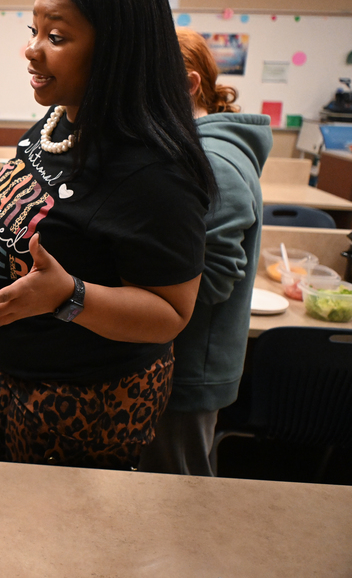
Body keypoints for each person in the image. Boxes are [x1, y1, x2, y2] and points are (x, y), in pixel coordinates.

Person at [0, 0, 217, 470]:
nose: (31, 49)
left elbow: (171, 314)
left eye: (57, 37)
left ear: (116, 51)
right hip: (9, 364)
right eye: (34, 30)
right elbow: (61, 206)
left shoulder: (157, 170)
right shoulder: (61, 118)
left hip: (86, 397)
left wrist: (70, 297)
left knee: (49, 543)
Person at [138, 28, 272, 476]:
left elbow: (212, 279)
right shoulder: (190, 148)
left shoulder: (213, 159)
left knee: (178, 499)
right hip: (177, 363)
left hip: (190, 372)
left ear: (190, 85)